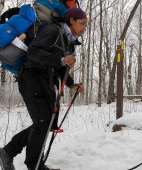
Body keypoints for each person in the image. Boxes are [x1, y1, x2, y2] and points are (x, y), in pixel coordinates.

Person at [0, 8, 87, 170]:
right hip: (31, 77)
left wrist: (71, 84)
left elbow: (60, 67)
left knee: (47, 123)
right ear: (72, 20)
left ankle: (8, 152)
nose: (84, 28)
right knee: (43, 122)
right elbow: (33, 54)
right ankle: (35, 165)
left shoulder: (67, 40)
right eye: (82, 23)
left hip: (45, 81)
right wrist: (61, 59)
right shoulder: (52, 30)